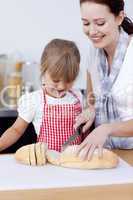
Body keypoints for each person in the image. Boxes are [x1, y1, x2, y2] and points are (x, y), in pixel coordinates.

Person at [0, 38, 84, 152]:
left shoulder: (77, 96)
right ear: (43, 70)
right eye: (55, 80)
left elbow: (81, 130)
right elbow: (16, 130)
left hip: (73, 162)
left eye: (69, 81)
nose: (62, 86)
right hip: (46, 163)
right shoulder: (35, 100)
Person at [74, 0, 133, 159]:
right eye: (86, 23)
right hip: (107, 154)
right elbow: (91, 99)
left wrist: (107, 129)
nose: (92, 31)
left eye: (100, 23)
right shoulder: (93, 52)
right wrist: (90, 110)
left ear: (119, 18)